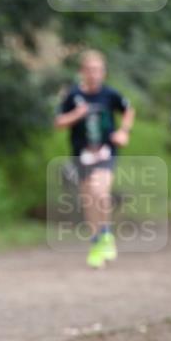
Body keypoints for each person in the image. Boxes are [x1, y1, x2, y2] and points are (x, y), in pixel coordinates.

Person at [55, 50, 135, 268]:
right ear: (82, 72)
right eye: (89, 70)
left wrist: (124, 131)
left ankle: (107, 233)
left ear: (104, 72)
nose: (94, 74)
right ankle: (96, 242)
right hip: (81, 154)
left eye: (98, 70)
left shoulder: (110, 94)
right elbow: (58, 122)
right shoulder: (73, 96)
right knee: (88, 199)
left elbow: (128, 110)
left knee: (100, 191)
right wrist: (76, 115)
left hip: (106, 152)